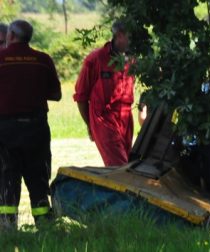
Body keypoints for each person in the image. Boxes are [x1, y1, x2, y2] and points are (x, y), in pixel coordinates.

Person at [0, 20, 61, 229]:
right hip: (36, 130)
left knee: (7, 177)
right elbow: (56, 94)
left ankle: (7, 228)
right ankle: (45, 226)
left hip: (5, 130)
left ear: (10, 36)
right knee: (38, 178)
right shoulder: (43, 60)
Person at [74, 21, 135, 166]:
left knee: (128, 164)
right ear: (119, 36)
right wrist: (90, 125)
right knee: (119, 167)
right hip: (103, 118)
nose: (134, 41)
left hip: (126, 117)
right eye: (131, 36)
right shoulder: (95, 59)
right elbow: (81, 96)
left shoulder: (133, 59)